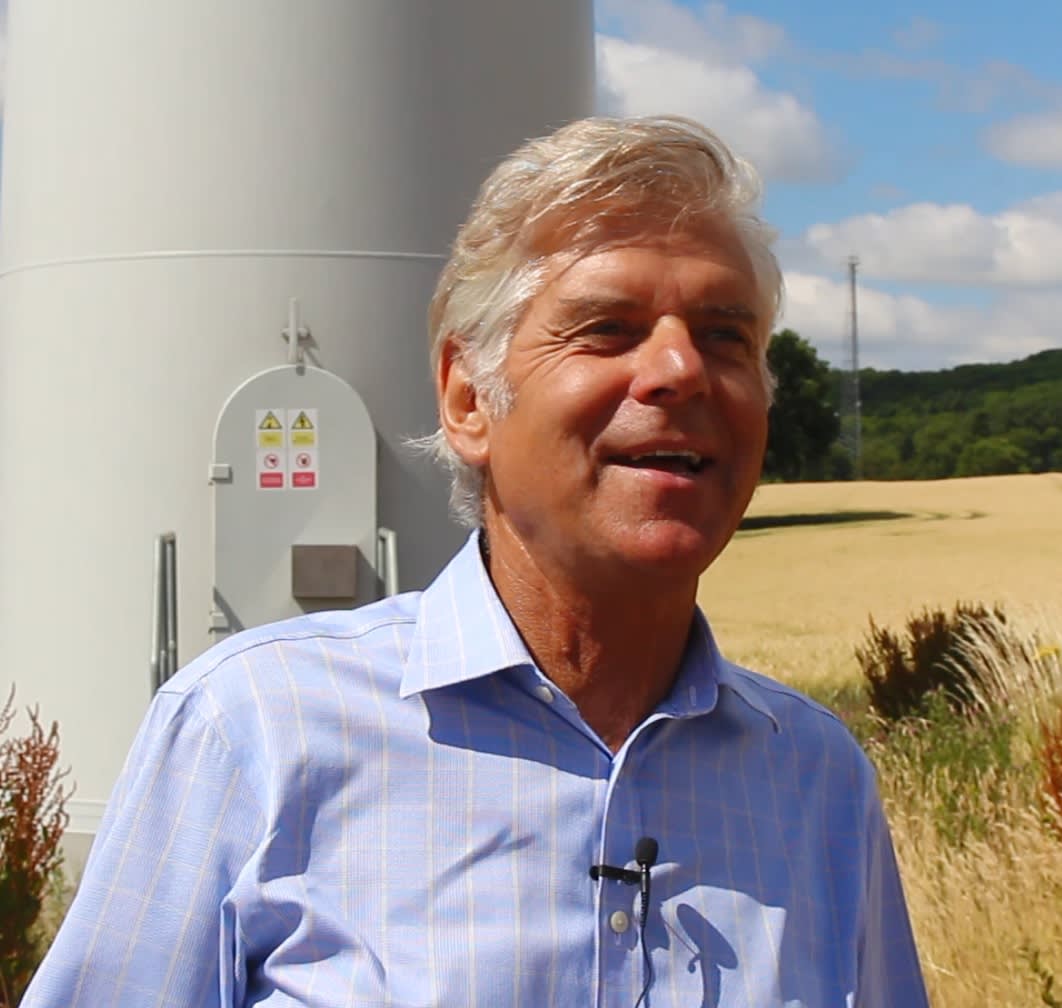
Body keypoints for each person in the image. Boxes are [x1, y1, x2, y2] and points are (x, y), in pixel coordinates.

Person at [23, 116, 928, 1007]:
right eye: (607, 327)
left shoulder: (816, 778)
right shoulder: (253, 729)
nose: (680, 370)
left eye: (726, 335)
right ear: (468, 400)